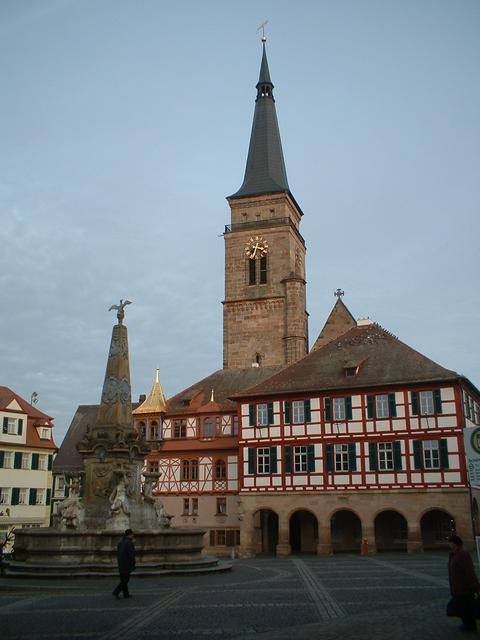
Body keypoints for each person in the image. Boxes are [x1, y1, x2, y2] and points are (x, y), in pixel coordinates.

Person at [447, 533, 480, 631]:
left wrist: (475, 586)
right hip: (457, 587)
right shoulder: (453, 554)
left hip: (464, 587)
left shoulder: (463, 554)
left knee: (464, 607)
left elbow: (469, 572)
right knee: (464, 607)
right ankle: (469, 624)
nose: (449, 544)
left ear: (455, 543)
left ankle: (470, 625)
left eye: (450, 542)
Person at [112, 529, 136, 599]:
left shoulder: (120, 542)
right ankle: (116, 592)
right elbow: (131, 555)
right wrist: (133, 563)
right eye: (132, 534)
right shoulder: (129, 543)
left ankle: (126, 594)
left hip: (121, 563)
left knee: (123, 579)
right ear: (131, 535)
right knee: (125, 580)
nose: (133, 536)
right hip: (126, 564)